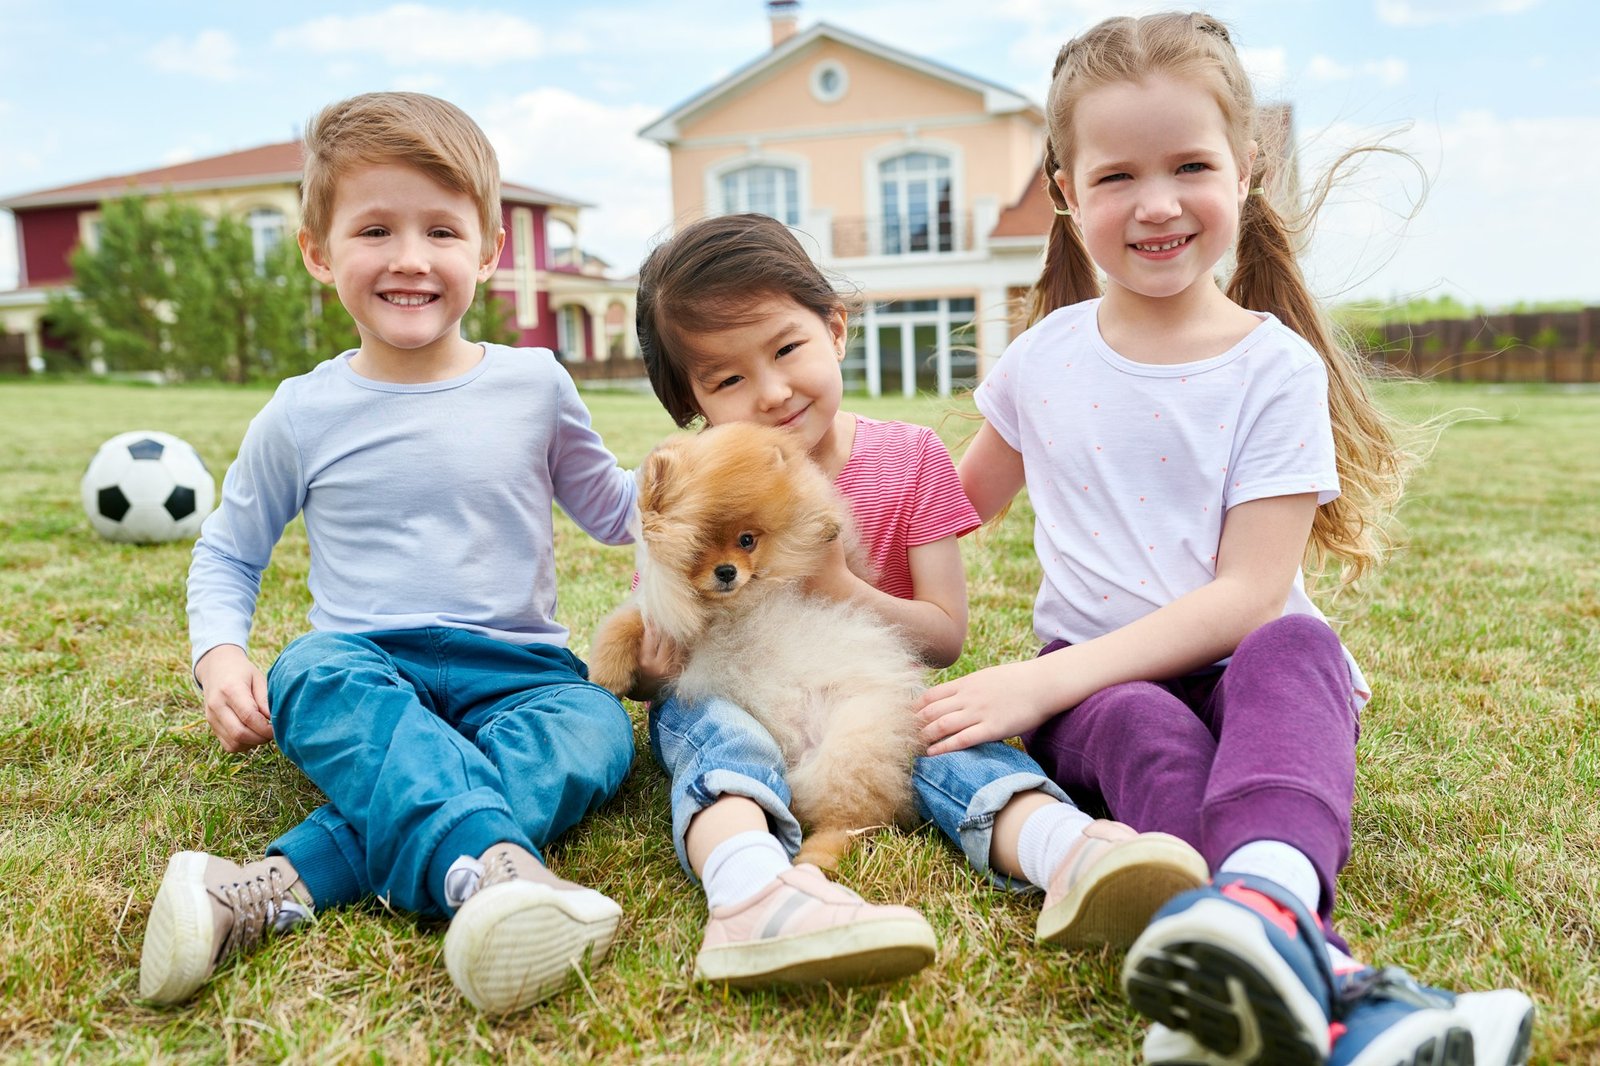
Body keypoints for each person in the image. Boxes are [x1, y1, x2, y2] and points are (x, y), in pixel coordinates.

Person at [915, 12, 1535, 1066]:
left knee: (1300, 647)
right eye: (1115, 177)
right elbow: (951, 505)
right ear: (1066, 194)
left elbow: (1250, 596)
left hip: (1241, 662)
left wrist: (1029, 686)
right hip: (1098, 690)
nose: (1155, 203)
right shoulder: (1041, 359)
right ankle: (1341, 988)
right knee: (1139, 722)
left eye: (1189, 165)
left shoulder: (1272, 368)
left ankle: (1258, 913)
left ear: (1245, 172)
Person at [137, 91, 638, 1017]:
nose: (411, 259)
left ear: (488, 251)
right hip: (370, 668)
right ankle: (500, 871)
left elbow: (616, 511)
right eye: (375, 229)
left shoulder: (535, 384)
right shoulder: (302, 410)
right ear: (319, 251)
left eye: (442, 232)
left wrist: (709, 483)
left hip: (523, 674)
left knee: (599, 729)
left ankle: (269, 889)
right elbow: (230, 551)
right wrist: (221, 655)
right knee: (310, 671)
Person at [629, 212, 1210, 990]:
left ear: (834, 329)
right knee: (706, 727)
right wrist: (647, 663)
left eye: (786, 349)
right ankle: (748, 890)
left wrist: (841, 587)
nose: (770, 392)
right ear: (689, 400)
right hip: (738, 693)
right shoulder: (688, 484)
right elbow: (659, 645)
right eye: (727, 379)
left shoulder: (909, 459)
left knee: (953, 732)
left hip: (863, 702)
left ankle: (1063, 851)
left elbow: (942, 638)